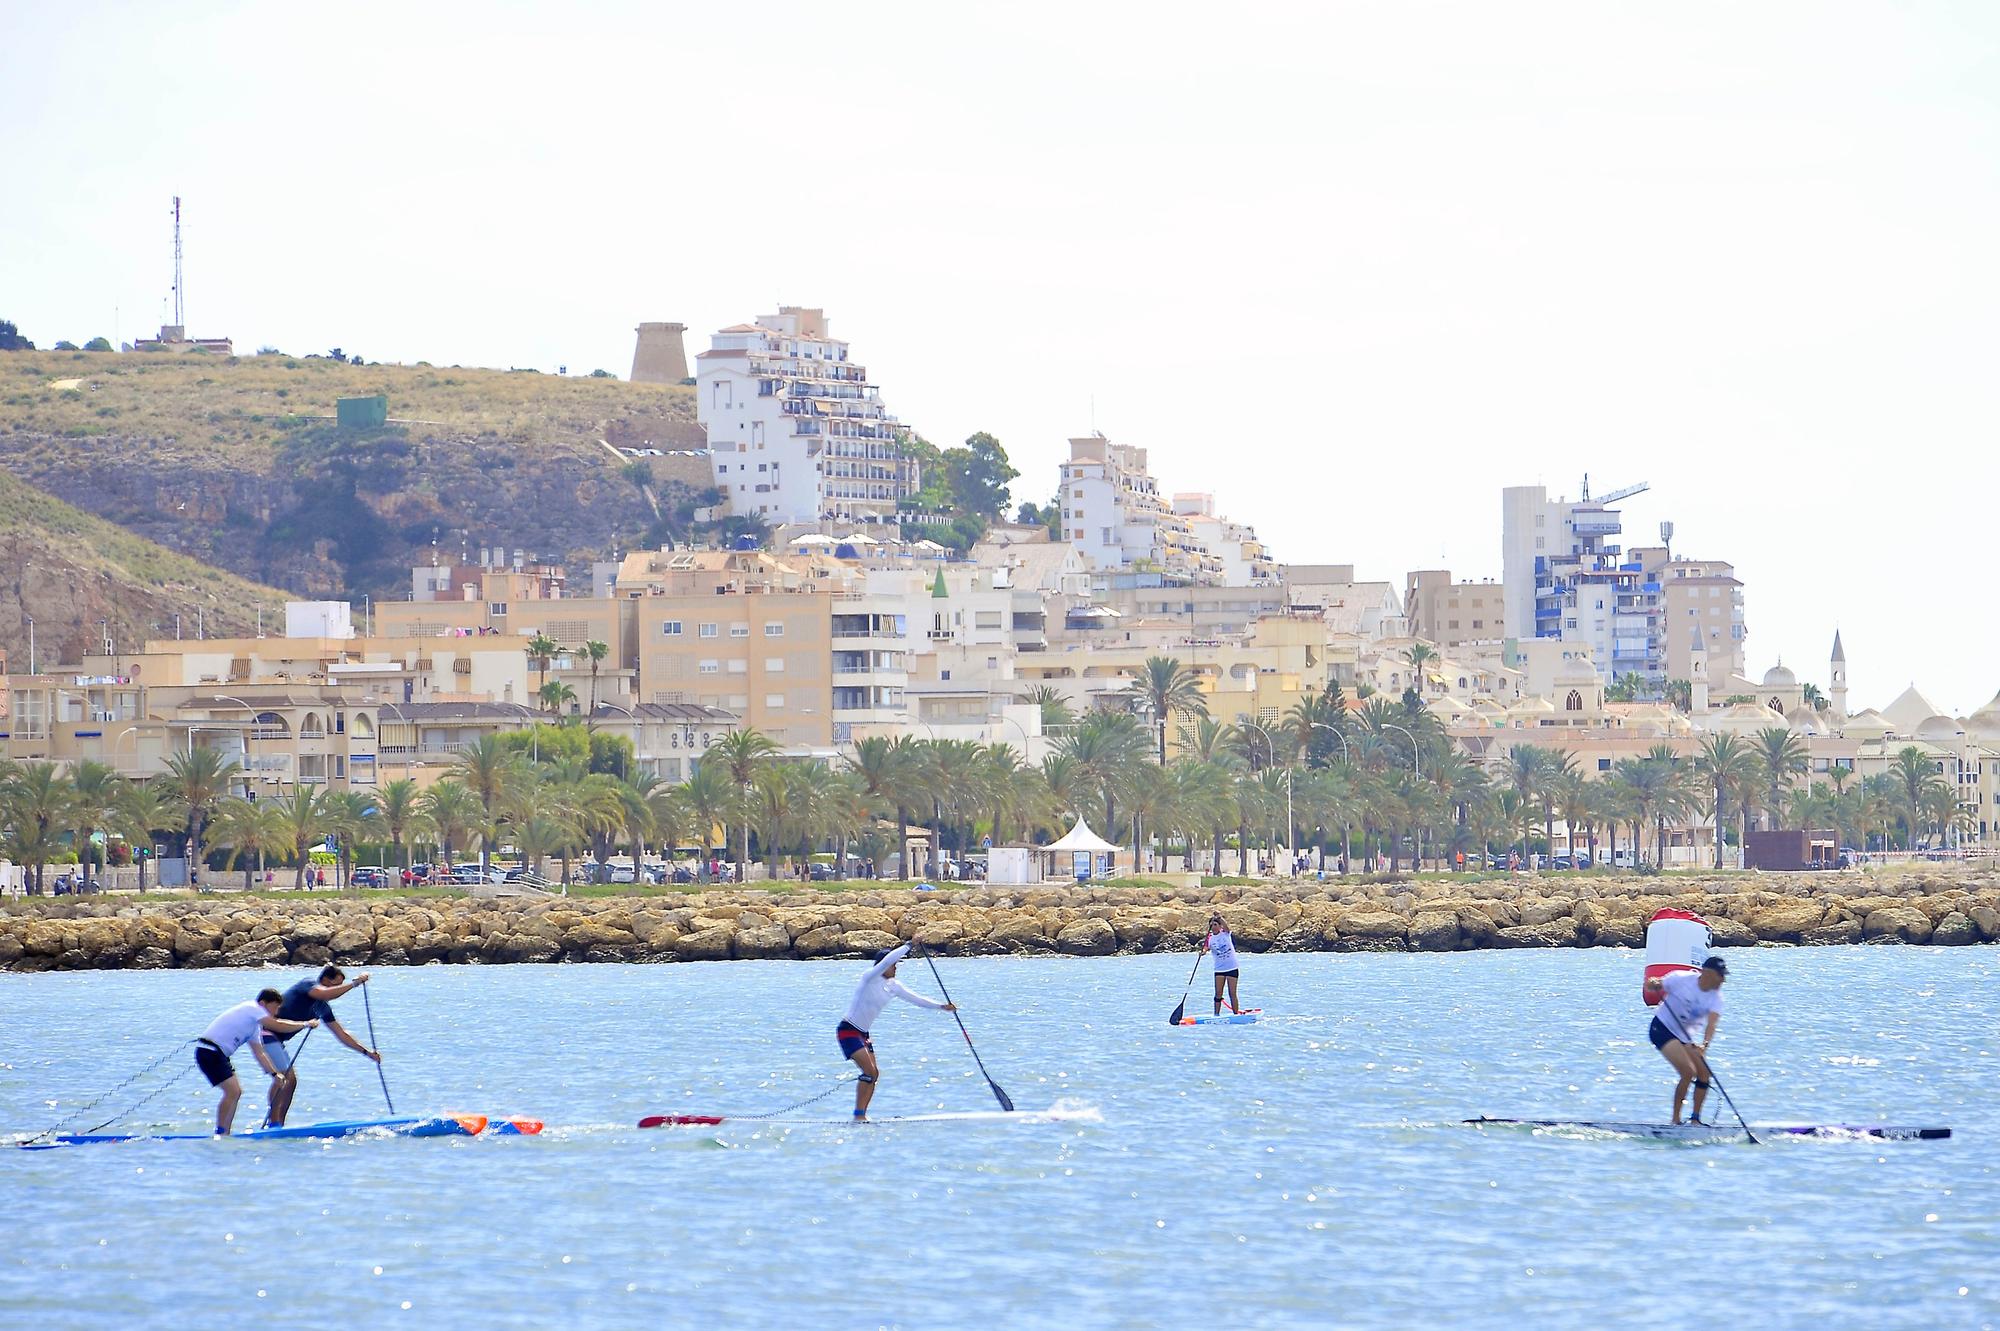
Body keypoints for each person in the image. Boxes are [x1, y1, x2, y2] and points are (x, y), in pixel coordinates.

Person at [837, 944, 955, 1121]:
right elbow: (889, 959)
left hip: (864, 1034)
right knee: (869, 1071)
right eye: (894, 965)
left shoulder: (894, 986)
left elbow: (917, 999)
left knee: (874, 1074)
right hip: (848, 1030)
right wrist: (910, 944)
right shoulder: (870, 978)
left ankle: (861, 1115)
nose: (896, 968)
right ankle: (858, 1116)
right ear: (884, 965)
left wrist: (941, 1007)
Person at [259, 966, 383, 1127]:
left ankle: (278, 1124)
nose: (337, 989)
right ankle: (273, 1122)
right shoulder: (308, 984)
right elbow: (325, 993)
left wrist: (367, 1053)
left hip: (278, 1040)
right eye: (335, 984)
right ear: (325, 980)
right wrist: (356, 983)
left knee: (291, 1081)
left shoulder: (323, 1008)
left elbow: (342, 1034)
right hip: (267, 1033)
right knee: (285, 1078)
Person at [196, 990, 319, 1135]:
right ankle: (221, 1131)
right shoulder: (252, 1008)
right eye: (275, 1007)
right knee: (233, 1091)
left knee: (236, 1092)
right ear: (263, 1003)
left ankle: (225, 1132)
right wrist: (305, 1024)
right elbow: (276, 1025)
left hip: (219, 1055)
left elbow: (259, 1052)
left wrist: (275, 1074)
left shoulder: (254, 1027)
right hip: (209, 1052)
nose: (276, 1011)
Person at [1645, 955, 1728, 1125]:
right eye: (1720, 975)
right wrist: (1652, 984)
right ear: (1706, 973)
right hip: (1662, 1029)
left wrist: (1704, 1045)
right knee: (1688, 1072)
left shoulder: (1716, 998)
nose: (1723, 979)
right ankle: (1675, 1120)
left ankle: (1695, 1119)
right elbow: (1654, 984)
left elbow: (1711, 1025)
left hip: (1684, 1036)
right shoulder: (1680, 979)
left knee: (1704, 1074)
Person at [1204, 913, 1242, 1015]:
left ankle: (1236, 1014)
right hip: (1219, 969)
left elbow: (1227, 927)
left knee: (1232, 993)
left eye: (1215, 925)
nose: (1213, 927)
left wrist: (1219, 917)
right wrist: (1203, 952)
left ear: (1220, 926)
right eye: (1211, 925)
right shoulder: (1209, 937)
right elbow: (1206, 947)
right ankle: (1216, 1014)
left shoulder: (1225, 933)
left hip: (1232, 967)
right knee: (1218, 994)